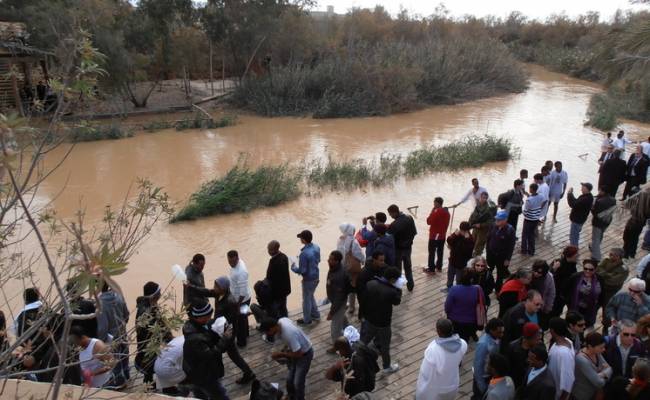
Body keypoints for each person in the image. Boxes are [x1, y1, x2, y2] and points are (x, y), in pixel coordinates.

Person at [182, 302, 231, 400]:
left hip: (194, 370)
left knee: (199, 392)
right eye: (208, 315)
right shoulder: (196, 339)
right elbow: (211, 354)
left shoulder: (193, 325)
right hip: (204, 374)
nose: (210, 317)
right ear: (200, 317)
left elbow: (206, 338)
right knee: (219, 395)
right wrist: (225, 339)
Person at [212, 277, 256, 384]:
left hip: (226, 333)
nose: (214, 288)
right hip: (219, 329)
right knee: (232, 355)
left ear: (223, 288)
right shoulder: (218, 295)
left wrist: (229, 336)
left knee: (229, 354)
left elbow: (233, 318)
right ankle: (248, 373)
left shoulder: (230, 301)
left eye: (216, 286)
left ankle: (248, 373)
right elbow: (205, 292)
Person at [260, 316, 313, 400]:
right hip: (294, 351)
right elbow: (291, 342)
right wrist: (285, 349)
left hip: (305, 355)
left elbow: (299, 354)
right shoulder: (282, 320)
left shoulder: (288, 334)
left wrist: (282, 354)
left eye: (268, 332)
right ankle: (291, 396)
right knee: (289, 379)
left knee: (298, 382)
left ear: (272, 328)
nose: (269, 334)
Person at [360, 267, 402, 373]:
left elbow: (363, 300)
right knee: (385, 346)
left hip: (370, 319)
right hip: (383, 324)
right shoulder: (392, 291)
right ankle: (386, 367)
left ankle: (354, 354)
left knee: (365, 339)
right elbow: (397, 302)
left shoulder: (371, 283)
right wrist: (399, 289)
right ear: (392, 280)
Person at [415, 318, 468, 400]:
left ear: (438, 331)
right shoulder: (463, 344)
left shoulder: (433, 349)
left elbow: (425, 372)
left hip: (436, 390)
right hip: (453, 385)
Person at [135, 281, 173, 386]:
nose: (161, 294)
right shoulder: (146, 311)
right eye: (159, 292)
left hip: (150, 343)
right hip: (148, 343)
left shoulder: (150, 305)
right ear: (154, 295)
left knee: (150, 365)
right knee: (152, 363)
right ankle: (155, 386)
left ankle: (150, 384)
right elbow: (153, 327)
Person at [325, 327, 379, 397]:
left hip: (357, 394)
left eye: (338, 351)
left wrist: (335, 367)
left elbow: (329, 376)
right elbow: (374, 355)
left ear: (342, 350)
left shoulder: (348, 364)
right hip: (368, 384)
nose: (338, 353)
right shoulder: (358, 346)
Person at [97, 283, 130, 381]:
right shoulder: (119, 295)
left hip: (111, 337)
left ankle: (118, 381)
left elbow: (103, 327)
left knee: (114, 361)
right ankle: (126, 376)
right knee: (124, 356)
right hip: (122, 332)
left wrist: (101, 342)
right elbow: (126, 315)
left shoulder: (100, 303)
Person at [444, 269, 485, 342]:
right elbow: (482, 303)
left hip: (455, 321)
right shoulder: (478, 289)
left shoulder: (454, 289)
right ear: (472, 279)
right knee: (464, 340)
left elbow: (447, 306)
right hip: (471, 322)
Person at [292, 230, 321, 325]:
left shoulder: (304, 254)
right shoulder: (317, 247)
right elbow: (319, 260)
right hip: (316, 276)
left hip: (308, 280)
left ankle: (307, 320)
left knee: (306, 300)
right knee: (310, 296)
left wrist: (293, 268)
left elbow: (302, 271)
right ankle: (316, 314)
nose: (300, 239)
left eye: (301, 238)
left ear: (303, 240)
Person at [572, 332, 612, 400]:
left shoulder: (596, 353)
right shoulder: (581, 360)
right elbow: (599, 383)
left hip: (594, 394)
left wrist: (600, 375)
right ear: (590, 346)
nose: (603, 350)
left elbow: (610, 369)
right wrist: (605, 373)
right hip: (583, 396)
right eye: (601, 348)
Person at [387, 204, 417, 291]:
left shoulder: (394, 224)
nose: (390, 216)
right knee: (408, 267)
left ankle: (398, 289)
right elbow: (414, 233)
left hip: (398, 250)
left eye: (390, 214)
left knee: (398, 269)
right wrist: (408, 242)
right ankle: (410, 284)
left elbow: (389, 237)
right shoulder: (409, 218)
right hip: (408, 248)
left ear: (394, 212)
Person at [566, 260, 604, 328]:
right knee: (574, 324)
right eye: (585, 268)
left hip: (591, 308)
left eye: (591, 269)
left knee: (585, 325)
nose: (588, 271)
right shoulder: (576, 277)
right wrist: (569, 303)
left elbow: (602, 293)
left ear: (595, 269)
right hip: (576, 307)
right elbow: (567, 290)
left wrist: (598, 304)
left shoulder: (599, 279)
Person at [472, 318, 505, 399]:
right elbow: (478, 367)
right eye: (499, 332)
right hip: (483, 378)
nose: (502, 335)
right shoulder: (483, 345)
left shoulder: (496, 338)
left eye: (502, 332)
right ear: (491, 330)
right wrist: (483, 388)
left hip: (491, 376)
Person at [326, 250, 351, 353]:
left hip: (338, 303)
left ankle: (337, 348)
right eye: (329, 258)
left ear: (337, 261)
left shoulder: (339, 275)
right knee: (343, 320)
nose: (328, 260)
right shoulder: (334, 269)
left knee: (335, 330)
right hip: (337, 301)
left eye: (331, 259)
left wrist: (331, 313)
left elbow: (339, 297)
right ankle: (350, 331)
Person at [337, 223, 365, 314]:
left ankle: (346, 304)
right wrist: (363, 260)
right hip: (352, 268)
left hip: (343, 267)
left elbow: (338, 253)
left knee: (345, 286)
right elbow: (358, 254)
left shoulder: (340, 239)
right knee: (353, 285)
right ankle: (352, 307)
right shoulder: (353, 241)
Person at [486, 210, 516, 292]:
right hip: (491, 254)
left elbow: (511, 246)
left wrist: (508, 259)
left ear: (505, 220)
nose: (497, 221)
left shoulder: (510, 230)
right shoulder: (493, 226)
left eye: (499, 220)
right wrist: (487, 251)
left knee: (500, 275)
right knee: (488, 272)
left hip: (502, 257)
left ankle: (498, 290)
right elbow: (488, 239)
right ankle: (487, 287)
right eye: (496, 219)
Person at [227, 250, 252, 347]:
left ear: (237, 258)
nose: (231, 264)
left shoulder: (241, 272)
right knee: (243, 317)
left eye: (233, 262)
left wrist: (238, 304)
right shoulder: (238, 263)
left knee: (239, 321)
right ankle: (246, 334)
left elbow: (243, 292)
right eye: (229, 261)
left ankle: (242, 342)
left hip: (242, 300)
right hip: (241, 298)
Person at [505, 322, 541, 389]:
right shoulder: (512, 348)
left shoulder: (539, 347)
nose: (539, 338)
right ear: (529, 337)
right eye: (536, 336)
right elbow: (507, 368)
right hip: (514, 384)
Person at [547, 317, 575, 400]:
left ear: (552, 330)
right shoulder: (566, 341)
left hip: (557, 395)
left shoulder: (564, 354)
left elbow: (568, 380)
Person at [357, 251, 388, 320]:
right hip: (367, 297)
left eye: (383, 260)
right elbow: (360, 290)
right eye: (381, 260)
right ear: (374, 260)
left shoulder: (384, 267)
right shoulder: (364, 272)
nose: (383, 262)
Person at [444, 221, 475, 291]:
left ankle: (459, 290)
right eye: (461, 230)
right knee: (450, 275)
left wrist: (466, 240)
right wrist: (454, 235)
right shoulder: (457, 235)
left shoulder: (470, 239)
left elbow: (467, 251)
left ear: (467, 231)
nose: (462, 232)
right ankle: (449, 287)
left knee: (459, 279)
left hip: (461, 263)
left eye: (464, 231)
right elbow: (449, 240)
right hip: (452, 260)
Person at [550, 245, 579, 317]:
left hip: (566, 293)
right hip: (557, 294)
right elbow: (548, 275)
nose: (578, 257)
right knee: (555, 311)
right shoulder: (558, 263)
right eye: (576, 256)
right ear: (570, 256)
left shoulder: (573, 264)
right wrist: (553, 269)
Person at [590, 186, 617, 262]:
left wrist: (592, 208)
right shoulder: (613, 200)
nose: (599, 192)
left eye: (600, 191)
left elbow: (595, 213)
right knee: (600, 234)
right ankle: (594, 247)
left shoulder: (599, 201)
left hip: (598, 223)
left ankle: (596, 256)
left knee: (595, 238)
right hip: (607, 221)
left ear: (603, 192)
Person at [266, 240, 291, 318]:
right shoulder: (284, 256)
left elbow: (272, 278)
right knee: (283, 307)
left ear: (275, 249)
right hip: (285, 289)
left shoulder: (275, 262)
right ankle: (286, 320)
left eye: (269, 249)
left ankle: (280, 324)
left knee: (277, 310)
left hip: (278, 292)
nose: (268, 251)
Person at [425, 197, 450, 274]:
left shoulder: (436, 211)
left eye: (434, 202)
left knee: (432, 251)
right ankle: (439, 267)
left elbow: (428, 221)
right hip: (442, 235)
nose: (433, 204)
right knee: (440, 251)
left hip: (434, 235)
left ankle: (431, 269)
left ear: (437, 203)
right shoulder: (447, 212)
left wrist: (432, 211)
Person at [530, 260, 555, 329]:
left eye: (539, 272)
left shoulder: (549, 278)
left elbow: (551, 294)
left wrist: (548, 307)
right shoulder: (529, 274)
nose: (536, 273)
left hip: (540, 305)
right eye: (534, 270)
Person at [468, 192, 495, 257]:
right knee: (471, 243)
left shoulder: (489, 208)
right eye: (483, 198)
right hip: (475, 228)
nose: (484, 199)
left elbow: (491, 221)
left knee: (479, 247)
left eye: (485, 198)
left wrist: (481, 225)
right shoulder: (478, 205)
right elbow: (473, 215)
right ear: (480, 198)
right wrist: (469, 224)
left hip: (483, 231)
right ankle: (470, 259)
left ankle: (477, 260)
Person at [521, 183, 545, 256]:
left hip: (528, 220)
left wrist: (522, 211)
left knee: (524, 235)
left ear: (531, 189)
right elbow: (544, 201)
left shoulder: (529, 200)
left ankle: (524, 251)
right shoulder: (541, 196)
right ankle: (531, 251)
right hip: (535, 219)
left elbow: (525, 211)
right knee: (531, 235)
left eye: (530, 188)